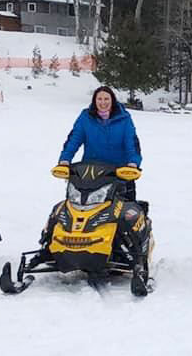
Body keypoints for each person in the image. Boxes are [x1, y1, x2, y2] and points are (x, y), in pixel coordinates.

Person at [57, 86, 149, 293]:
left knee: (124, 214)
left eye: (106, 99)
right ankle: (61, 246)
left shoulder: (124, 119)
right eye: (100, 99)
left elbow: (132, 144)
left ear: (112, 100)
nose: (103, 102)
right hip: (88, 174)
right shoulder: (85, 117)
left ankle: (135, 253)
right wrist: (65, 160)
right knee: (75, 209)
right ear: (94, 101)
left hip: (119, 174)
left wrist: (133, 163)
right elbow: (74, 139)